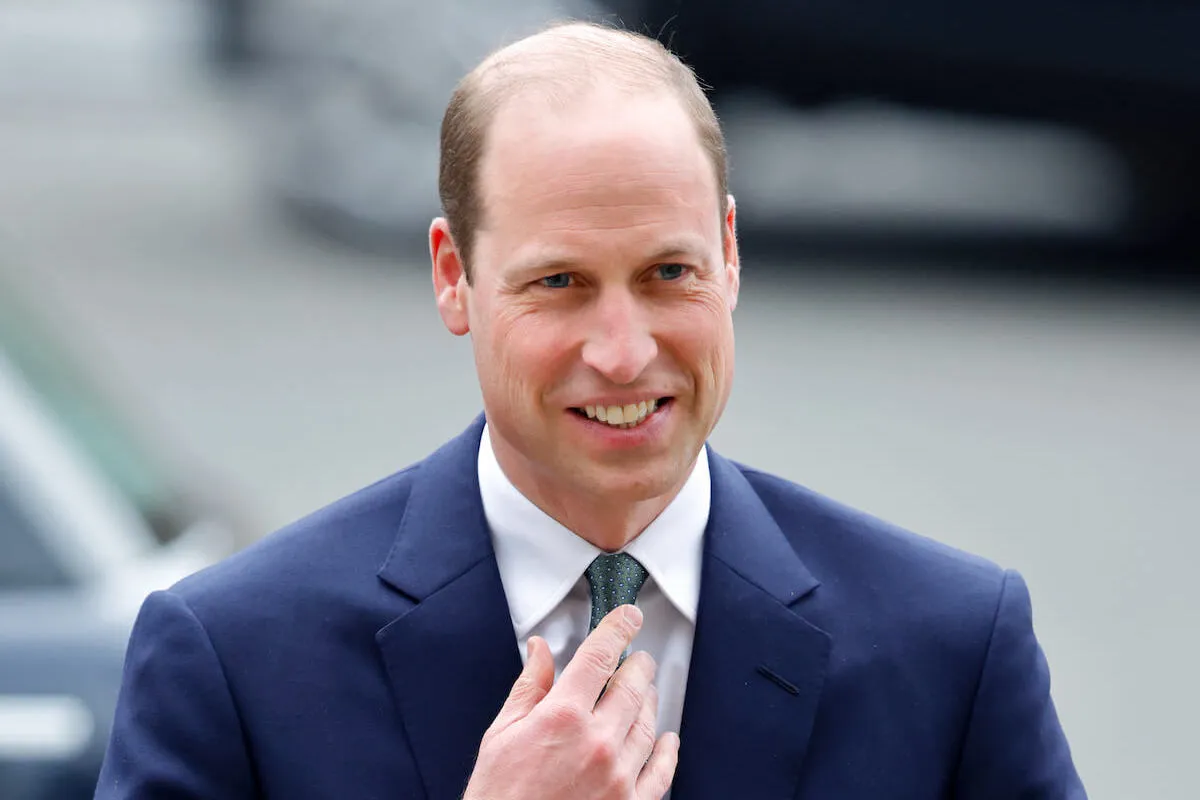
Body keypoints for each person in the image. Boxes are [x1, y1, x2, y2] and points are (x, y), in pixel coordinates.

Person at [95, 20, 1087, 800]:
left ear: (729, 256)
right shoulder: (234, 659)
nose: (622, 350)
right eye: (561, 281)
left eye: (668, 272)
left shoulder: (950, 644)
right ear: (455, 277)